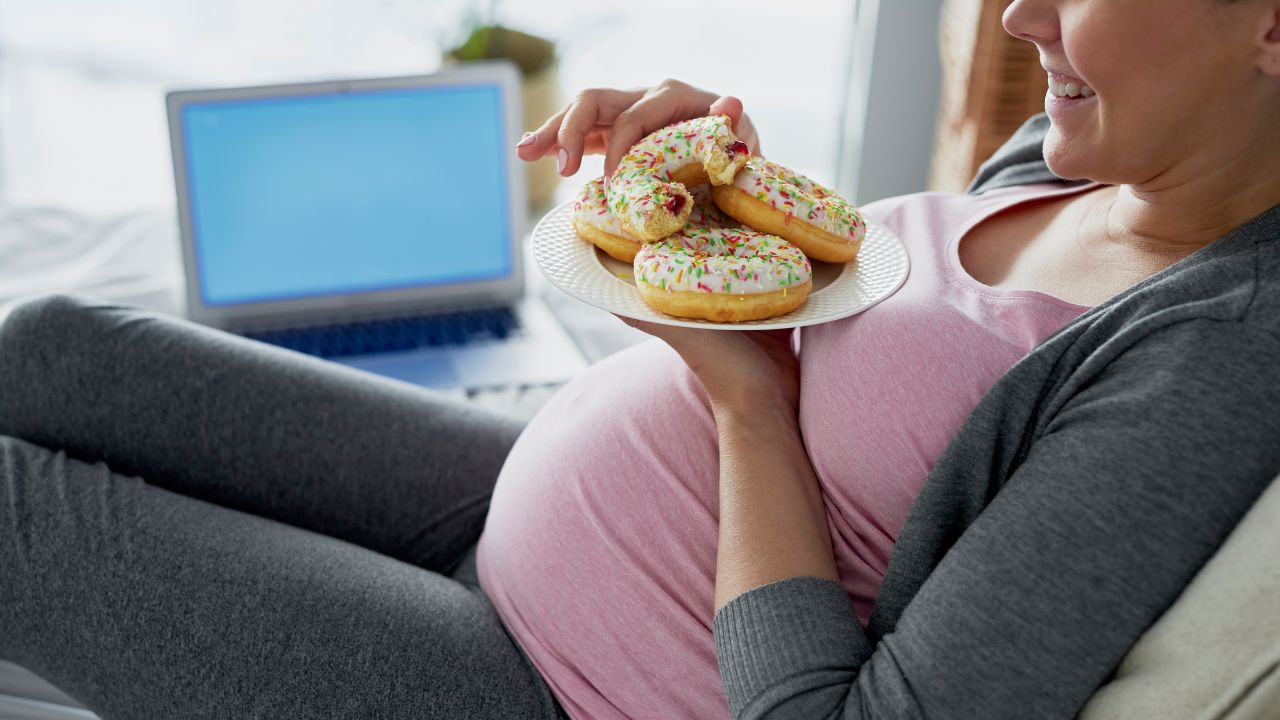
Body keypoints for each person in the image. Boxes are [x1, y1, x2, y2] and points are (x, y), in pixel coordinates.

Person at [1, 0, 1278, 718]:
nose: (1018, 13)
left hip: (564, 687)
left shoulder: (1206, 356)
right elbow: (866, 335)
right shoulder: (1092, 163)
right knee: (54, 347)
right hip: (516, 513)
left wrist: (742, 404)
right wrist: (720, 198)